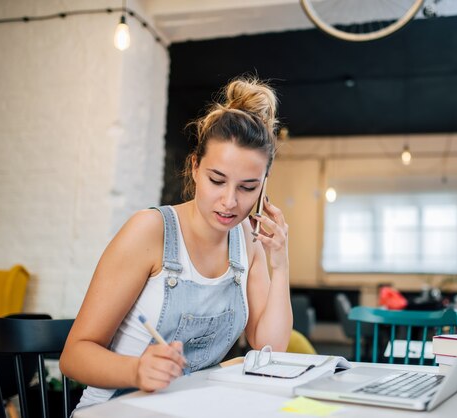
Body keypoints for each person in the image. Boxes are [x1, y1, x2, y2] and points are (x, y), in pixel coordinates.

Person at [60, 76, 292, 408]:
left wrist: (280, 262)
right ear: (195, 167)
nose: (229, 201)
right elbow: (74, 356)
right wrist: (137, 370)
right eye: (217, 180)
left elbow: (271, 347)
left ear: (263, 185)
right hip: (116, 409)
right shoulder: (150, 231)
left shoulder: (247, 240)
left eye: (247, 187)